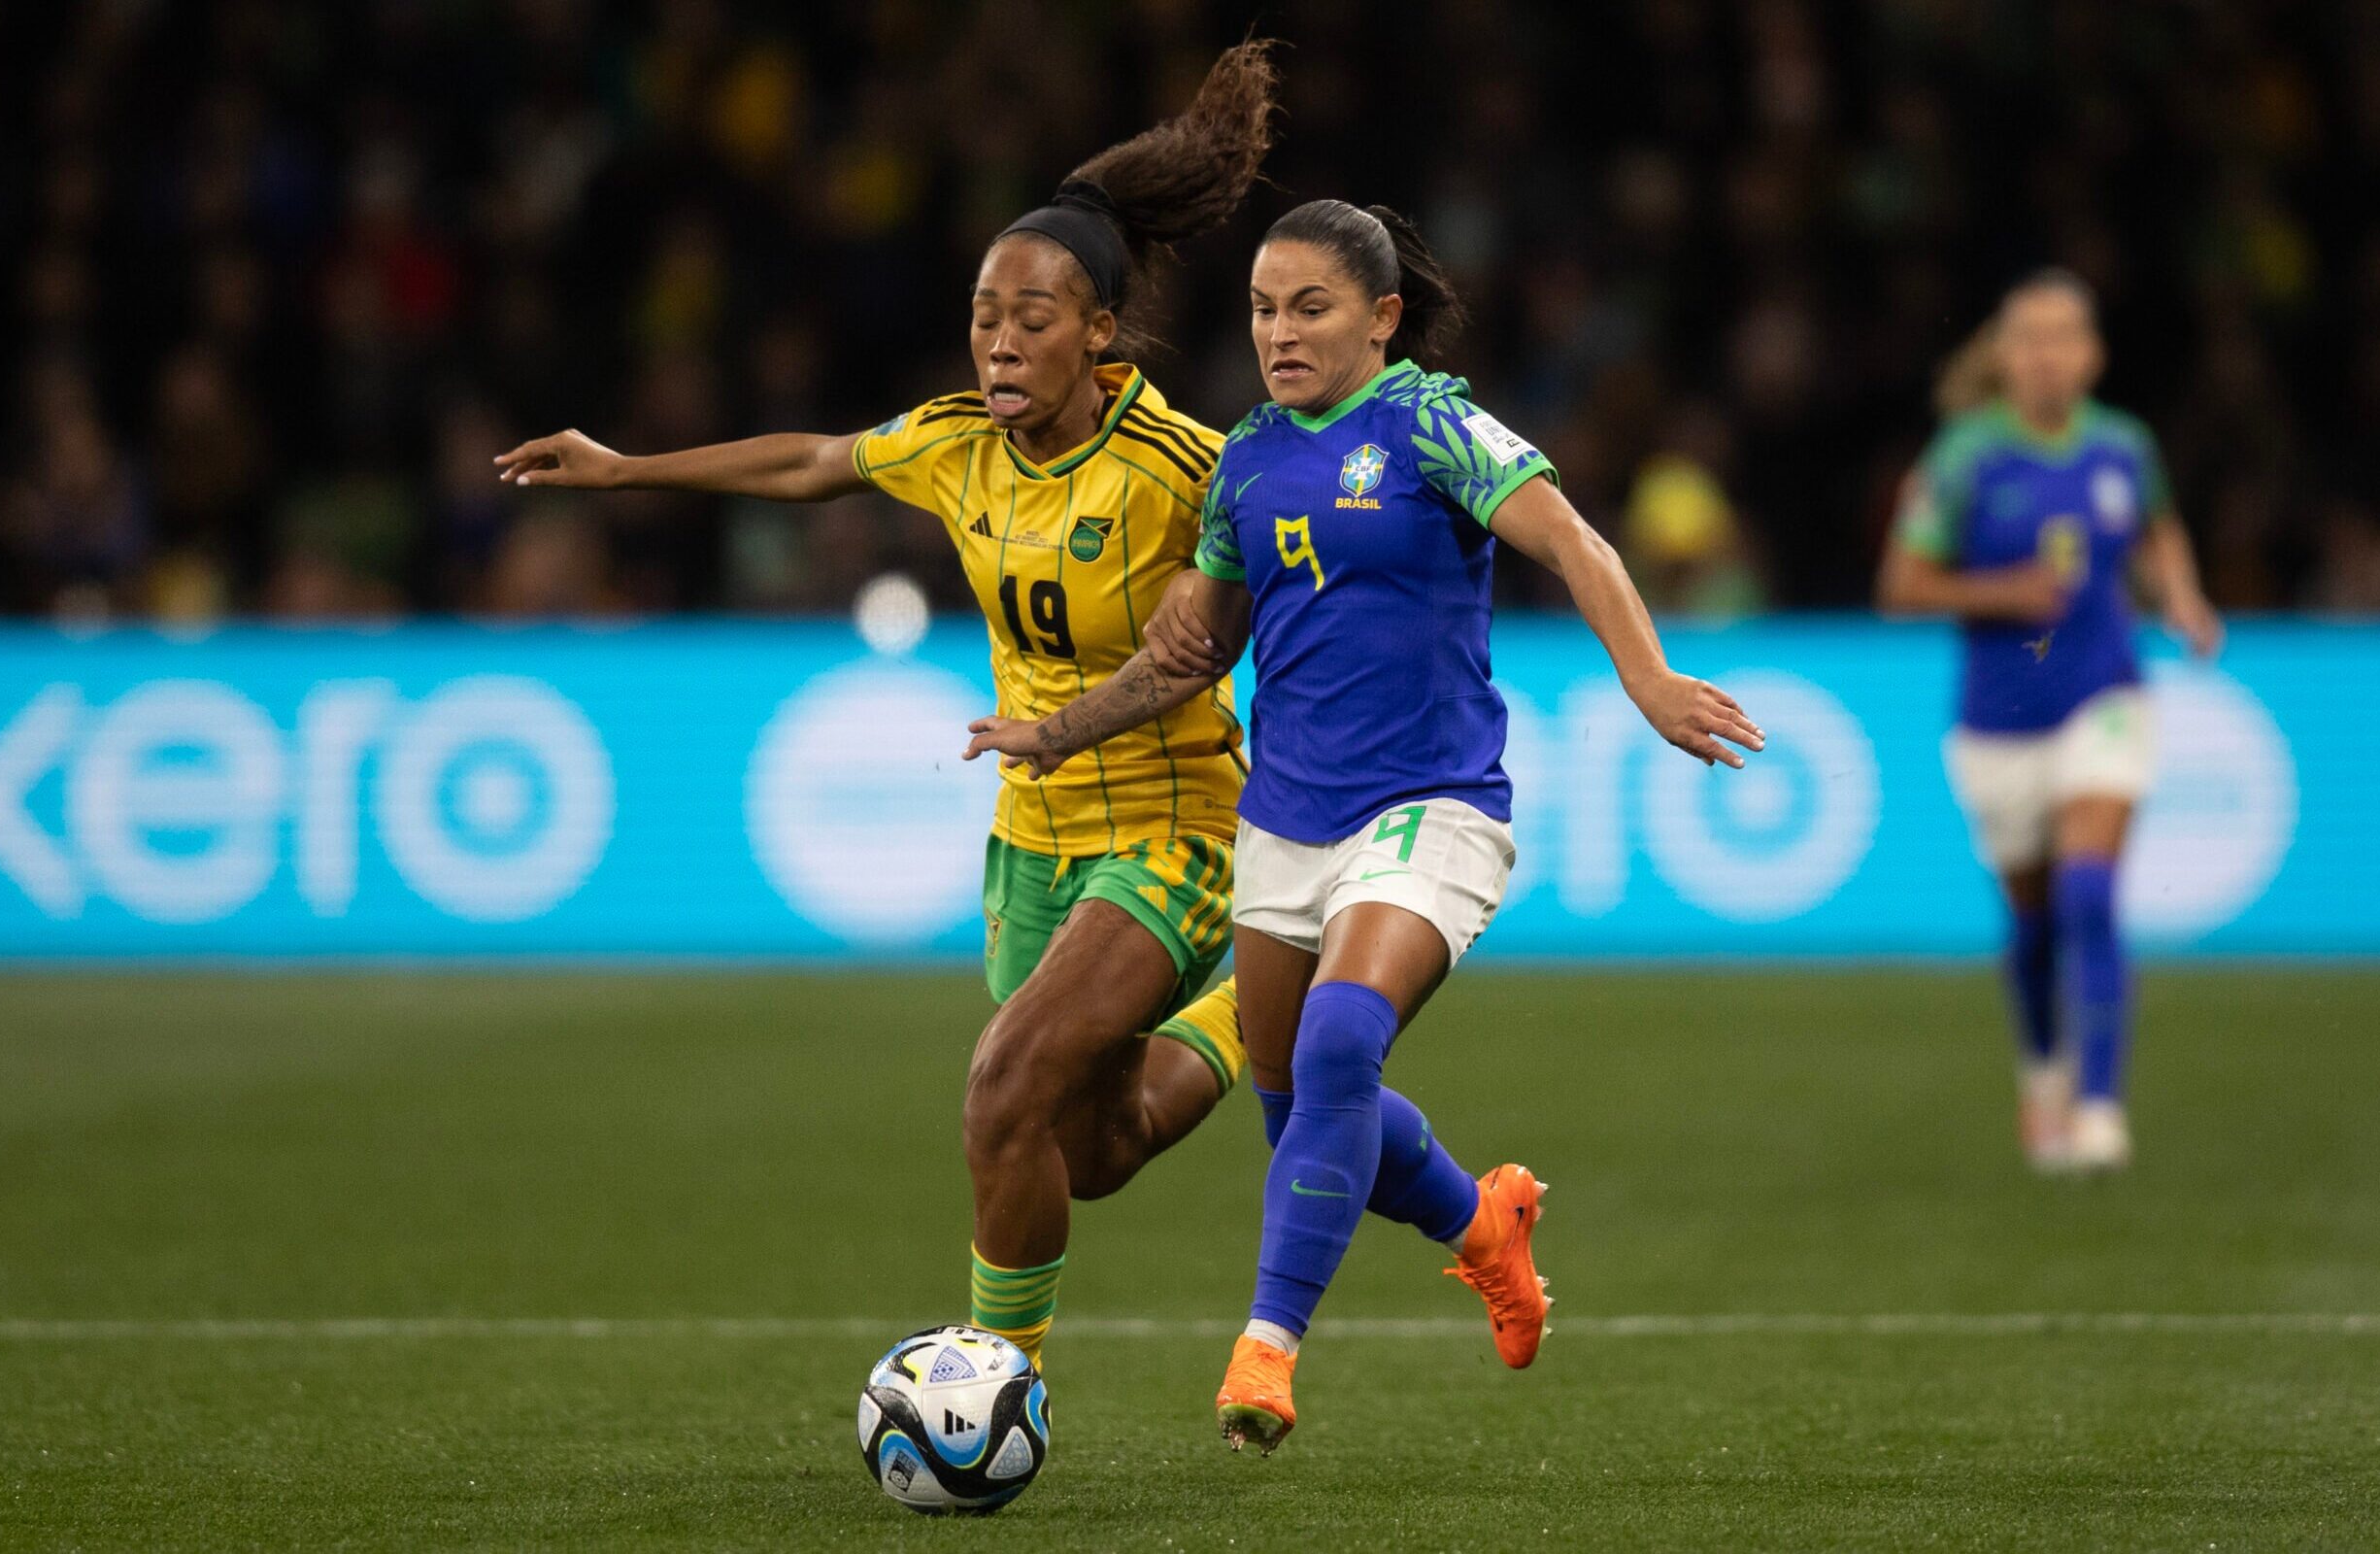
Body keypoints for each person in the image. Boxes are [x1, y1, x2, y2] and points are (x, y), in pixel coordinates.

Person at [493, 44, 1280, 1368]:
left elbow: (1248, 619)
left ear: (1098, 332)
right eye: (984, 310)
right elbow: (815, 458)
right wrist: (626, 469)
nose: (1000, 337)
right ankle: (1256, 1010)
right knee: (1095, 1149)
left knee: (999, 1087)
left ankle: (991, 1381)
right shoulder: (957, 437)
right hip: (1034, 838)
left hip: (1173, 825)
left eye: (1032, 315)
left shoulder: (1184, 469)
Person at [965, 198, 1762, 1451]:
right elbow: (1195, 650)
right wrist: (1059, 729)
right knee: (1302, 1114)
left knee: (1342, 1038)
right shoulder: (1245, 458)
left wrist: (1648, 677)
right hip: (1284, 828)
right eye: (1262, 310)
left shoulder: (1431, 423)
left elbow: (1572, 539)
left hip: (1432, 807)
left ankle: (1267, 1348)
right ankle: (1481, 1224)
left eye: (1310, 308)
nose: (1279, 333)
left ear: (1381, 317)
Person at [1877, 269, 2223, 1174]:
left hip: (2104, 697)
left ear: (2092, 353)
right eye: (2028, 337)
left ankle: (2100, 1109)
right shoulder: (1964, 457)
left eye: (2064, 335)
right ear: (2003, 354)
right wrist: (2004, 591)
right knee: (2033, 927)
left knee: (2088, 894)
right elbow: (1902, 586)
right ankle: (2045, 1072)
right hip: (1998, 724)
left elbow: (2155, 530)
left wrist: (2181, 598)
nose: (2046, 354)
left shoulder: (2123, 447)